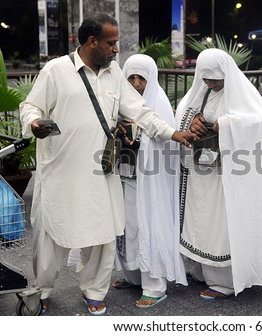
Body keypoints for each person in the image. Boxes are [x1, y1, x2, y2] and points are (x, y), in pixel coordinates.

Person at [19, 14, 194, 316]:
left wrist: (172, 132)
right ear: (91, 42)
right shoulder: (56, 71)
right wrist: (34, 122)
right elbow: (30, 106)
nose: (116, 50)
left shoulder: (114, 75)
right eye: (112, 43)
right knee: (53, 235)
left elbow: (140, 112)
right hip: (62, 172)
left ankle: (94, 290)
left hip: (101, 172)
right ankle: (43, 289)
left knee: (102, 236)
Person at [175, 48, 262, 299]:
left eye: (214, 78)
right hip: (201, 173)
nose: (209, 83)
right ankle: (203, 271)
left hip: (228, 176)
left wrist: (226, 123)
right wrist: (192, 122)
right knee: (202, 220)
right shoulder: (201, 92)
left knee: (222, 225)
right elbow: (182, 117)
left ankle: (224, 281)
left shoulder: (240, 93)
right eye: (205, 78)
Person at [112, 54, 187, 308]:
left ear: (150, 79)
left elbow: (164, 142)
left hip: (149, 183)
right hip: (125, 175)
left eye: (141, 78)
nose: (135, 84)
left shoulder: (160, 105)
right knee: (127, 230)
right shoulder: (121, 104)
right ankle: (133, 275)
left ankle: (154, 285)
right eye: (130, 78)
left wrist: (141, 138)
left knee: (148, 226)